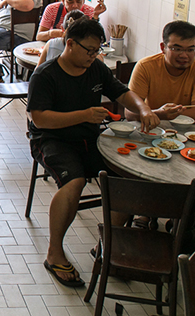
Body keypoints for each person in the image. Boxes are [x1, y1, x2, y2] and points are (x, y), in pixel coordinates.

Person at [27, 18, 159, 288]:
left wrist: (145, 110)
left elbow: (122, 93)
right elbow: (40, 119)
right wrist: (84, 115)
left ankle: (106, 247)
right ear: (70, 43)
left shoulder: (95, 68)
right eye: (89, 50)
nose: (93, 56)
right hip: (52, 139)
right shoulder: (46, 75)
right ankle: (54, 253)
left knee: (127, 176)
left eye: (97, 51)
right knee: (74, 180)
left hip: (89, 138)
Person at [127, 21, 195, 123]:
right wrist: (160, 114)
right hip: (151, 126)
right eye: (177, 49)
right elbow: (129, 113)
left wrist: (156, 114)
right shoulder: (145, 66)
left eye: (190, 50)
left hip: (187, 131)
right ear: (163, 48)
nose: (184, 56)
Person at [37, 0, 106, 42]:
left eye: (79, 1)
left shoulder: (90, 11)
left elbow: (95, 39)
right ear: (63, 0)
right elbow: (39, 36)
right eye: (70, 2)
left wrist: (95, 16)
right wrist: (52, 33)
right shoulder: (52, 9)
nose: (75, 6)